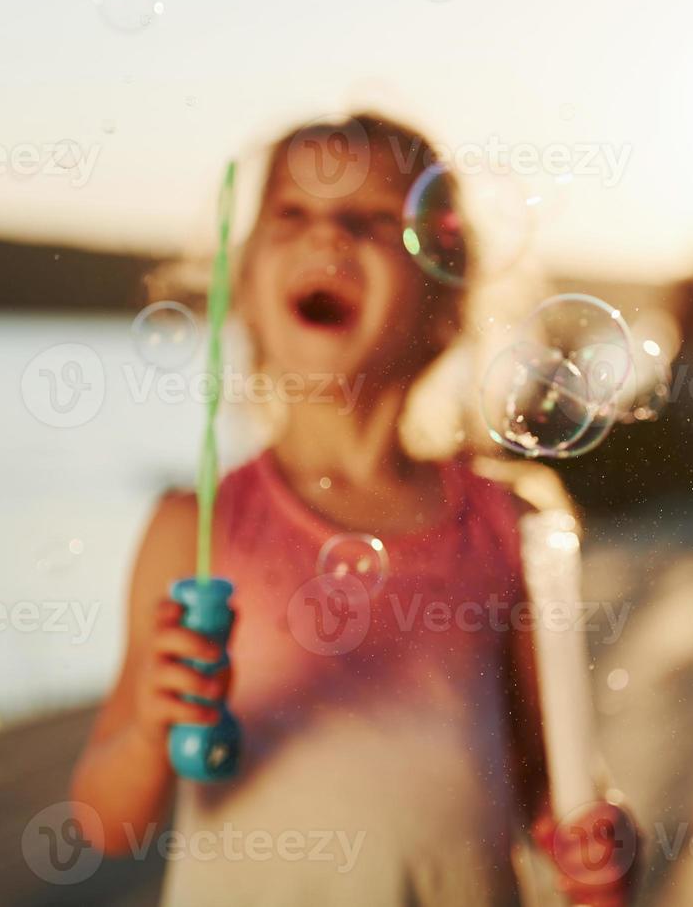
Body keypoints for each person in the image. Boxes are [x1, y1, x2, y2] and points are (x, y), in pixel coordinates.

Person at [71, 113, 635, 906]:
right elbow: (106, 822)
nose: (325, 236)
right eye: (291, 214)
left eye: (370, 220)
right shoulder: (193, 529)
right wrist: (151, 732)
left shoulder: (510, 526)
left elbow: (557, 786)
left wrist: (597, 853)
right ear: (249, 294)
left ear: (446, 300)